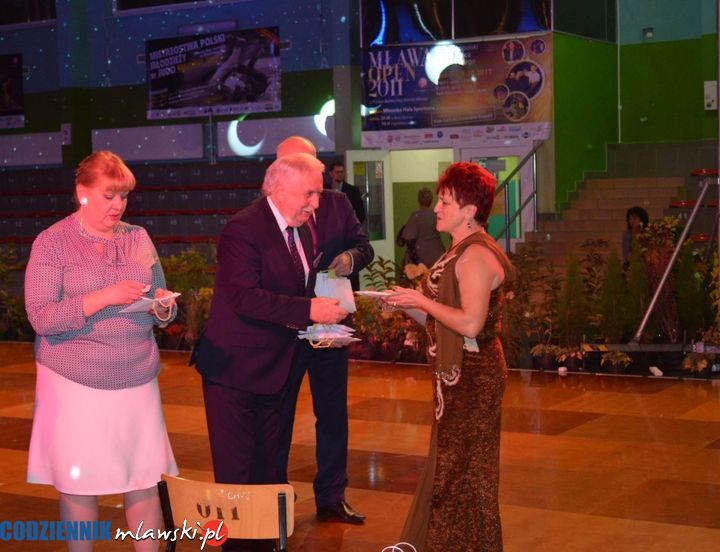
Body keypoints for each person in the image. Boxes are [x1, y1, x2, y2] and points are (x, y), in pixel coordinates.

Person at [191, 152, 347, 550]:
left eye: (318, 194)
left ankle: (265, 543)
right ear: (277, 189)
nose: (316, 203)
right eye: (310, 193)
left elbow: (291, 291)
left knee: (268, 472)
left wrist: (319, 323)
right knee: (239, 480)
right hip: (235, 373)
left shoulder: (301, 231)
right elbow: (244, 297)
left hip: (277, 371)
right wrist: (308, 310)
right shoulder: (243, 229)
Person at [24, 150, 178, 551]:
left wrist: (163, 306)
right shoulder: (52, 242)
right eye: (109, 195)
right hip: (74, 380)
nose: (118, 205)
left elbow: (159, 295)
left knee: (144, 478)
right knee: (79, 482)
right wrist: (104, 296)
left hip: (138, 375)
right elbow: (41, 317)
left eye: (123, 196)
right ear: (82, 192)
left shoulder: (138, 237)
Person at [381, 162, 515, 551]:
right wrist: (406, 303)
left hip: (472, 378)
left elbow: (470, 323)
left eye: (445, 202)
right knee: (454, 470)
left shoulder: (476, 256)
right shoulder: (460, 249)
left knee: (464, 474)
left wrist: (421, 300)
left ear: (469, 210)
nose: (437, 208)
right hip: (456, 376)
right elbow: (440, 318)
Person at [274, 136, 373, 525]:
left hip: (331, 325)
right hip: (284, 330)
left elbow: (364, 247)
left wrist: (350, 258)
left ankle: (332, 496)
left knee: (332, 413)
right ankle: (274, 500)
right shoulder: (266, 212)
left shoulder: (337, 204)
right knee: (277, 416)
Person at [400, 187, 445, 268]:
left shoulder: (415, 216)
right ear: (431, 200)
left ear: (419, 200)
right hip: (438, 254)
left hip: (420, 259)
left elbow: (408, 237)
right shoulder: (436, 214)